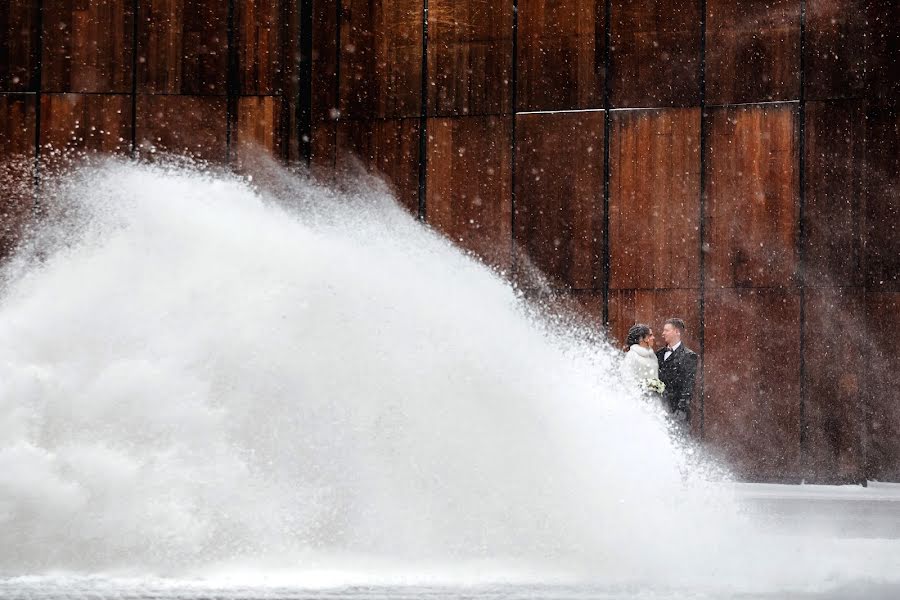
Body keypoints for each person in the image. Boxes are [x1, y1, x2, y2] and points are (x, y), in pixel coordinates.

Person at [656, 317, 698, 427]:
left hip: (677, 410)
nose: (663, 333)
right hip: (658, 409)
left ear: (677, 332)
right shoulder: (659, 354)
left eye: (666, 330)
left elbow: (688, 384)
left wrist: (681, 409)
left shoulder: (689, 356)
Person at [621, 323, 660, 389]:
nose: (653, 337)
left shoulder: (652, 356)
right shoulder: (631, 356)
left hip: (654, 397)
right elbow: (627, 380)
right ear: (642, 338)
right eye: (650, 335)